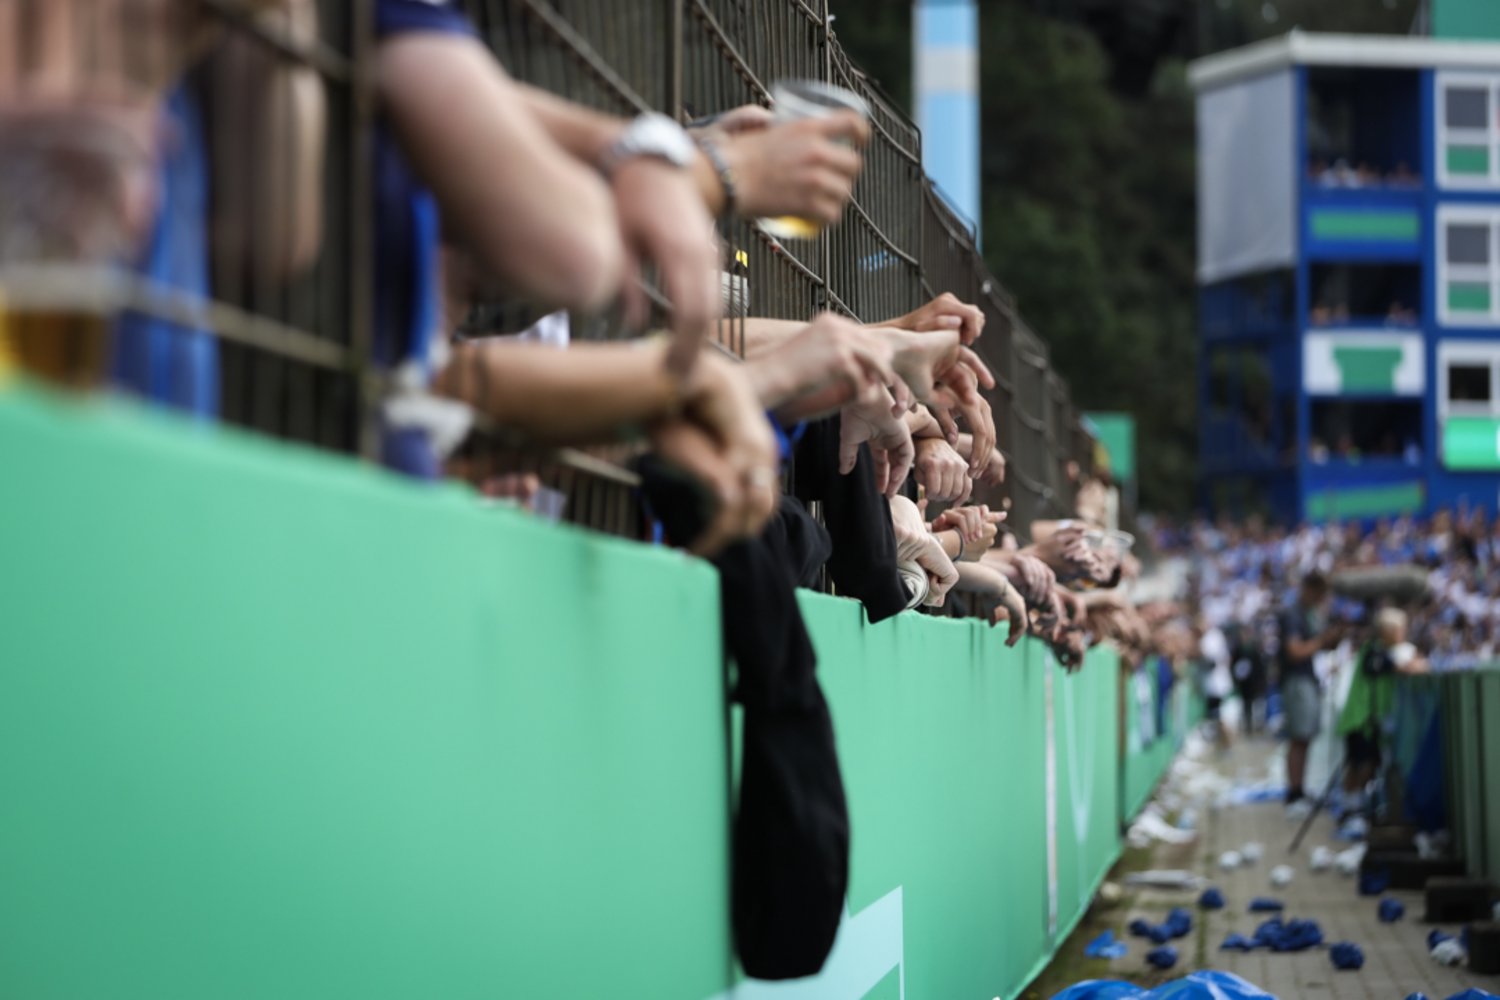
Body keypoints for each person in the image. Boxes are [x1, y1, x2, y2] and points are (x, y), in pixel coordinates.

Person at [1335, 607, 1428, 836]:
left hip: (1366, 719)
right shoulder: (1375, 652)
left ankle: (1353, 808)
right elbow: (1407, 668)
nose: (1403, 633)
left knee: (1363, 763)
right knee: (1362, 764)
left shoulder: (1379, 650)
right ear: (1388, 631)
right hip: (1362, 719)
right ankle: (1353, 810)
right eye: (1400, 629)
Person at [1277, 571, 1342, 818]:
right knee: (1299, 737)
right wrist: (1322, 640)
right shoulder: (1293, 614)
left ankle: (1299, 790)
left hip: (1309, 680)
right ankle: (1294, 793)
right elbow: (1295, 651)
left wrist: (1334, 637)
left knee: (1305, 738)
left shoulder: (1310, 613)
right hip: (1297, 680)